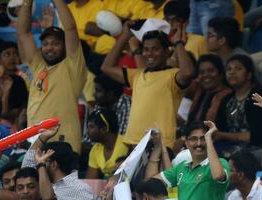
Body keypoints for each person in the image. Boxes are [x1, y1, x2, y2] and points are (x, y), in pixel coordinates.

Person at [101, 24, 194, 149]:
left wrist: (178, 43)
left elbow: (188, 72)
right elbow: (106, 67)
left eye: (155, 49)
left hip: (160, 145)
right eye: (146, 49)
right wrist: (124, 36)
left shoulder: (173, 75)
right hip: (134, 144)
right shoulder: (136, 75)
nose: (149, 53)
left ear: (167, 52)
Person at [17, 0, 86, 153]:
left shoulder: (72, 66)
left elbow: (70, 28)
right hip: (35, 142)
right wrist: (27, 2)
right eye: (46, 43)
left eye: (56, 43)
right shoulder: (38, 65)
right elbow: (23, 33)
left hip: (63, 143)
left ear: (64, 46)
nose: (50, 48)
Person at [85, 107, 127, 180]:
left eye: (91, 127)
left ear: (104, 129)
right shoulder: (95, 149)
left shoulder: (126, 144)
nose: (87, 131)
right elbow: (90, 181)